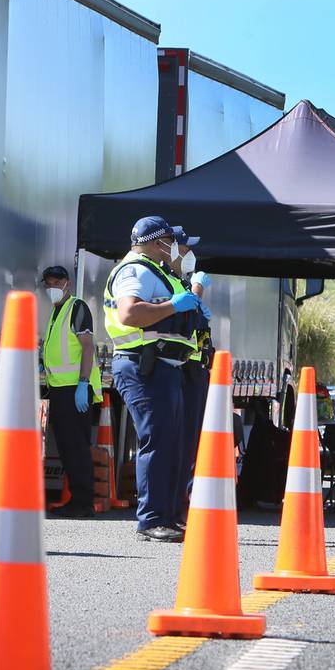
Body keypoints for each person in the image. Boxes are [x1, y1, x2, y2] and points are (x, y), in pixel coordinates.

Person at [104, 216, 200, 542]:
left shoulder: (157, 270)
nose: (174, 247)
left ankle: (168, 516)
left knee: (171, 445)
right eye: (170, 240)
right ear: (158, 241)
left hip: (165, 368)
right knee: (157, 442)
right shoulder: (136, 270)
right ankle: (151, 519)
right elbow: (129, 314)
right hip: (144, 366)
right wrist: (173, 305)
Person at [40, 264, 102, 517]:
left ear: (67, 284)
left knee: (76, 446)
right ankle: (78, 499)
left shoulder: (76, 308)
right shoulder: (57, 312)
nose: (53, 287)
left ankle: (83, 503)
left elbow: (87, 347)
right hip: (60, 388)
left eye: (57, 282)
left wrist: (83, 383)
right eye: (49, 283)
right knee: (67, 446)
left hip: (75, 388)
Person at [169, 227, 212, 524]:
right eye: (185, 249)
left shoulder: (180, 280)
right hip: (182, 371)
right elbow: (186, 322)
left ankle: (180, 502)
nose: (190, 255)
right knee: (179, 442)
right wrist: (196, 294)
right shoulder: (170, 282)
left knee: (189, 442)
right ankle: (175, 506)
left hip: (195, 369)